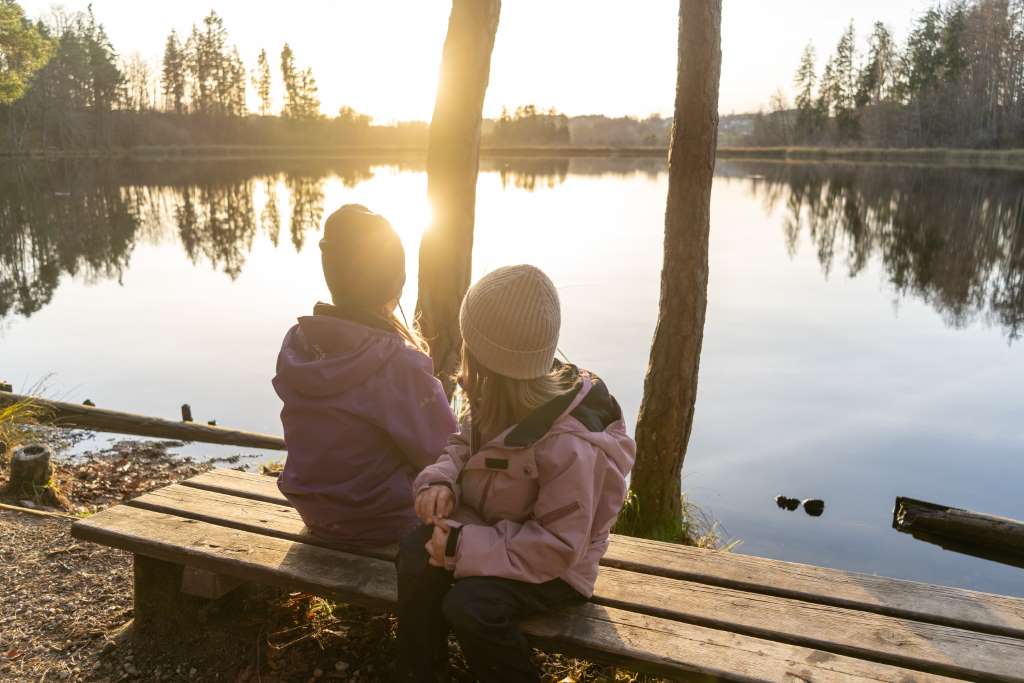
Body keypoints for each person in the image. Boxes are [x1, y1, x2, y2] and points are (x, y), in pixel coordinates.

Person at [395, 264, 636, 682]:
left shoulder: (569, 446)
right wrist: (441, 480)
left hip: (556, 568)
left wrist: (460, 547)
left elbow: (559, 546)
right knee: (415, 556)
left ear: (487, 359)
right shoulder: (494, 397)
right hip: (490, 532)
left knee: (471, 606)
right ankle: (419, 672)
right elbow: (461, 444)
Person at [273, 204, 457, 547]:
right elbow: (444, 450)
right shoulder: (397, 363)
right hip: (379, 520)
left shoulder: (297, 344)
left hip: (315, 512)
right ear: (397, 284)